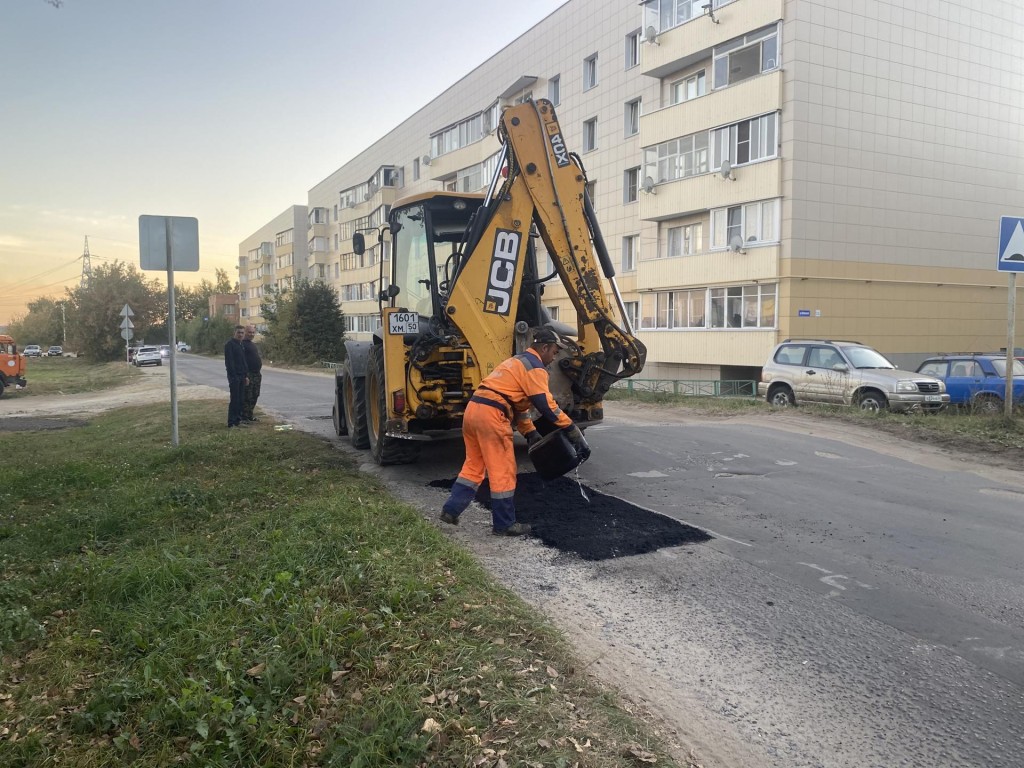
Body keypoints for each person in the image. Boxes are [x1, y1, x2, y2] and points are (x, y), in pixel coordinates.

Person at [440, 327, 591, 536]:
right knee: (503, 471)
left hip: (474, 412)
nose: (554, 357)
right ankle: (504, 524)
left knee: (473, 466)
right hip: (493, 416)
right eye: (554, 352)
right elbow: (547, 405)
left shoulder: (516, 362)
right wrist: (573, 430)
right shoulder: (535, 367)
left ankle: (451, 510)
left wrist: (530, 433)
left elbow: (519, 406)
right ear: (544, 348)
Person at [224, 325, 248, 428]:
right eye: (239, 332)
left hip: (242, 376)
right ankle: (231, 422)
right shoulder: (230, 345)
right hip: (234, 377)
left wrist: (245, 376)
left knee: (241, 399)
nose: (240, 334)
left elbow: (243, 362)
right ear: (234, 333)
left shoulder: (241, 344)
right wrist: (234, 377)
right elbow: (229, 363)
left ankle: (238, 420)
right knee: (235, 399)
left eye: (242, 333)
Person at [241, 325, 263, 422]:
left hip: (256, 374)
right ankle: (244, 417)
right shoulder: (241, 345)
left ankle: (249, 416)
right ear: (245, 332)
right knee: (247, 396)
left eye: (253, 332)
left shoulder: (252, 344)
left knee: (255, 395)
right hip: (248, 374)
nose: (251, 334)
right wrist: (244, 375)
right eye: (249, 332)